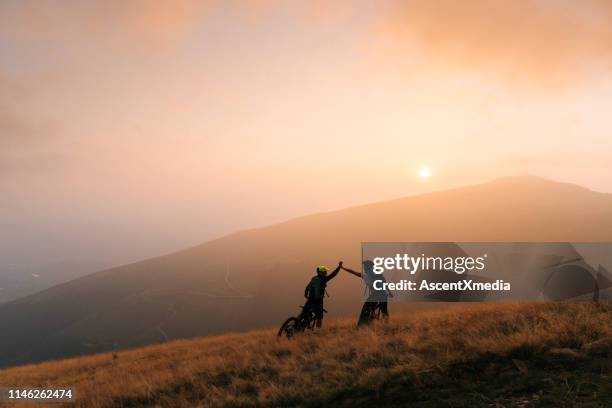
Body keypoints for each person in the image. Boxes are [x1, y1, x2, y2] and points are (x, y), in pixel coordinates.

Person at [342, 261, 392, 326]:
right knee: (383, 311)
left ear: (369, 267)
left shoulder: (368, 275)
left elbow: (353, 272)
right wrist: (389, 292)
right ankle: (384, 324)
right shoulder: (376, 274)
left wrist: (343, 268)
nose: (364, 268)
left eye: (365, 267)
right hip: (382, 295)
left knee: (367, 309)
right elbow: (384, 282)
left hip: (376, 295)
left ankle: (364, 324)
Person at [304, 261, 342, 328]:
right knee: (319, 317)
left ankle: (299, 324)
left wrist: (306, 295)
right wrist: (339, 267)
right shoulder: (323, 279)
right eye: (325, 272)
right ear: (321, 272)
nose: (326, 273)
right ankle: (318, 331)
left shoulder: (314, 278)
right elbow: (333, 275)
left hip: (310, 300)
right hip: (318, 301)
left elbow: (307, 287)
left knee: (305, 313)